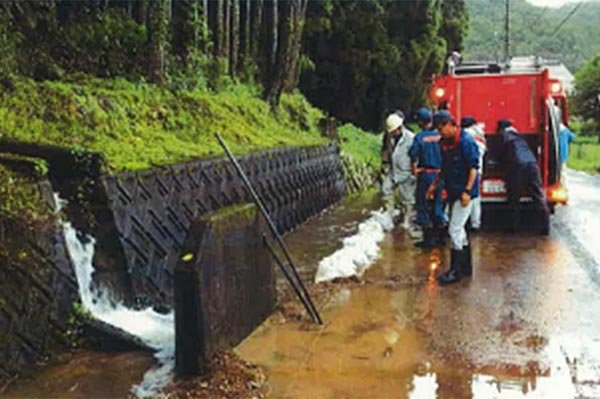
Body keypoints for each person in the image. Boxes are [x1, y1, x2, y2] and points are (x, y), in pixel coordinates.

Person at [427, 110, 480, 285]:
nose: (440, 131)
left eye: (442, 127)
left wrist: (467, 191)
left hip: (464, 193)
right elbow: (445, 167)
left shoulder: (466, 142)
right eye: (438, 129)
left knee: (455, 229)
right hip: (453, 190)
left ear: (451, 124)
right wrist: (435, 184)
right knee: (460, 229)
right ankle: (465, 267)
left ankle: (455, 271)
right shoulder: (445, 143)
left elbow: (474, 168)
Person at [496, 119, 550, 235]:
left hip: (517, 165)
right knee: (538, 196)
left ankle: (514, 228)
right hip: (532, 164)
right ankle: (545, 227)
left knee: (514, 196)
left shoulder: (504, 136)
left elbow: (500, 154)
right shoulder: (520, 137)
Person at [409, 107, 446, 247]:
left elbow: (413, 155)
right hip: (441, 174)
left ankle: (428, 240)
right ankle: (441, 238)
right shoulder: (440, 135)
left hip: (426, 175)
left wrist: (415, 170)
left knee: (422, 205)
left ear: (420, 122)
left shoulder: (419, 137)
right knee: (439, 204)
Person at [381, 112, 416, 228]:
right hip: (393, 170)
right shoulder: (389, 137)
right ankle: (389, 216)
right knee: (386, 189)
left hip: (406, 171)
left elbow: (415, 156)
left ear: (400, 128)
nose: (392, 133)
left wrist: (414, 172)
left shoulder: (410, 138)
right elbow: (385, 151)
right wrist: (385, 164)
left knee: (407, 198)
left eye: (394, 131)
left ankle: (406, 220)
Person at [461, 116, 487, 231]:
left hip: (466, 170)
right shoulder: (480, 135)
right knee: (476, 197)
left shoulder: (466, 134)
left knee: (464, 195)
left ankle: (461, 221)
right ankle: (475, 223)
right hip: (478, 169)